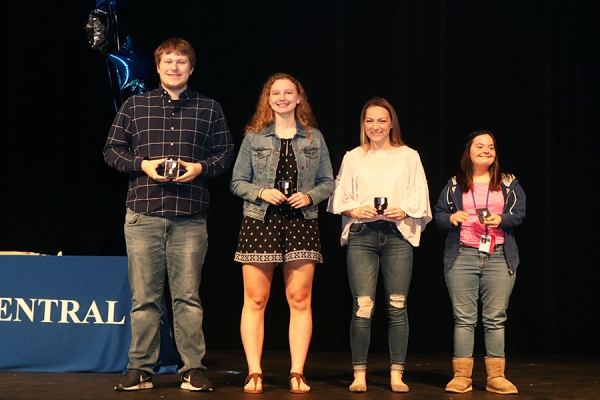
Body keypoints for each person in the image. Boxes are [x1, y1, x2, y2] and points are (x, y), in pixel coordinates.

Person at [103, 38, 234, 392]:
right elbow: (111, 150)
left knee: (187, 297)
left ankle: (192, 370)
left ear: (191, 68)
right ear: (158, 67)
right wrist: (142, 164)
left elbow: (225, 154)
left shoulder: (209, 108)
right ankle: (140, 370)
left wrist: (200, 168)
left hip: (190, 217)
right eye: (168, 62)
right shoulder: (135, 105)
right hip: (143, 215)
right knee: (144, 299)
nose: (174, 68)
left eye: (181, 62)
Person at [230, 72, 334, 394]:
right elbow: (237, 182)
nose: (282, 98)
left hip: (301, 222)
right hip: (260, 221)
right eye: (276, 93)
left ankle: (297, 372)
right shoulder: (254, 137)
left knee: (299, 299)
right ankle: (254, 372)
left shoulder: (314, 137)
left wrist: (310, 197)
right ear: (268, 98)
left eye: (289, 93)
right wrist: (261, 192)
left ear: (299, 98)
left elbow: (328, 182)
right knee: (256, 299)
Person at [327, 97, 431, 393]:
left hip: (397, 236)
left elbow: (419, 195)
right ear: (363, 124)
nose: (376, 126)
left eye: (382, 120)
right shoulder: (353, 157)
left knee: (397, 305)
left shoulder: (409, 156)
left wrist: (404, 210)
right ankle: (359, 373)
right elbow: (339, 198)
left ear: (391, 123)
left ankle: (397, 373)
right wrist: (356, 210)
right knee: (363, 306)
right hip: (363, 235)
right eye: (370, 120)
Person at [434, 130, 526, 395]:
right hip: (462, 255)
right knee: (464, 319)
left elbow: (519, 213)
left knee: (495, 319)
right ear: (469, 151)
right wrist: (451, 218)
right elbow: (439, 214)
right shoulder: (455, 184)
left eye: (491, 147)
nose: (486, 150)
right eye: (480, 146)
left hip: (498, 256)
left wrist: (502, 220)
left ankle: (496, 377)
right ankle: (461, 376)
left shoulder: (508, 182)